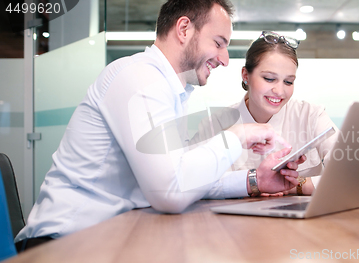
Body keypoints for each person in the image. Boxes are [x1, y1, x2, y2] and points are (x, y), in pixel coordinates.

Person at [15, 0, 303, 251]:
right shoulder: (139, 79)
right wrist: (236, 136)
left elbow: (182, 177)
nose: (225, 59)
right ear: (184, 29)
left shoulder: (170, 91)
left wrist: (254, 180)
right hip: (61, 245)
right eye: (218, 43)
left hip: (108, 237)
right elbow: (170, 194)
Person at [203, 31, 338, 199]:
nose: (280, 91)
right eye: (269, 79)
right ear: (246, 76)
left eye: (288, 82)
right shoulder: (216, 124)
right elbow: (195, 185)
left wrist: (297, 186)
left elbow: (351, 171)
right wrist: (254, 184)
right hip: (237, 222)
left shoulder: (311, 116)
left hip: (304, 221)